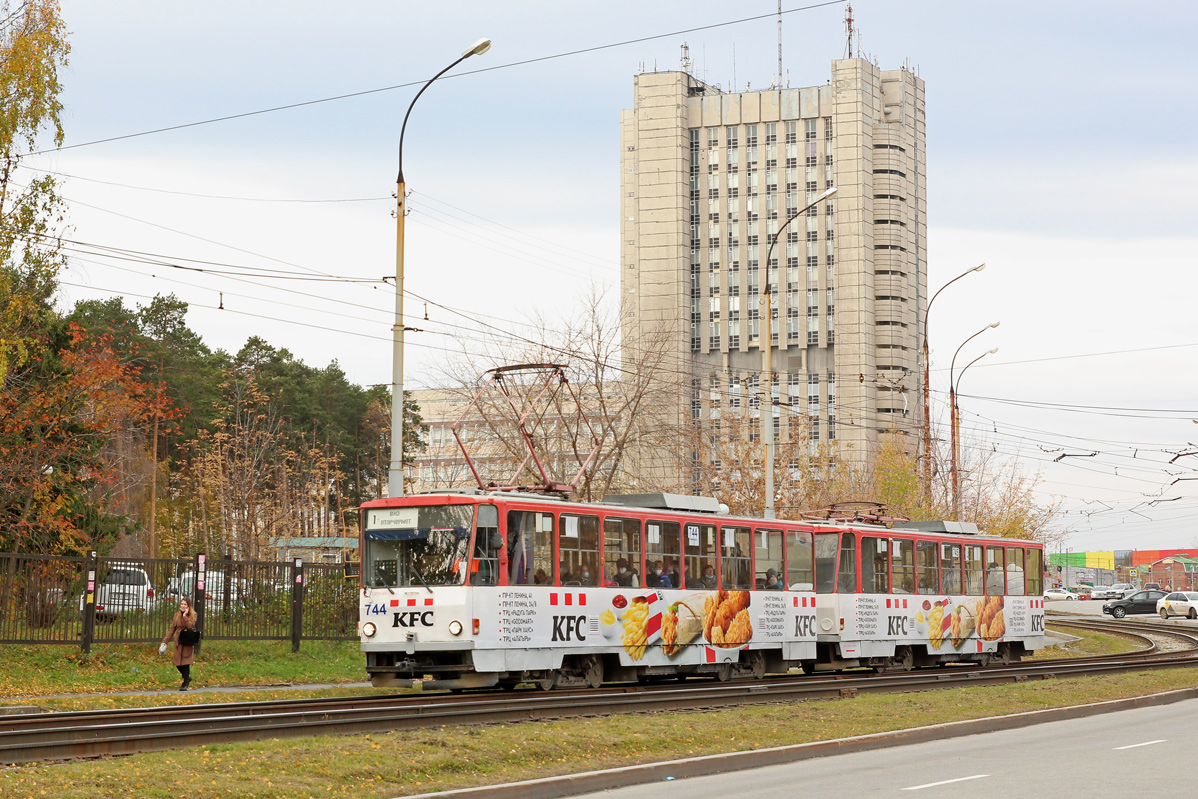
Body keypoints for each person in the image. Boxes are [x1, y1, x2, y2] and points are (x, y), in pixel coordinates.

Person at [159, 596, 198, 691]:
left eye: (185, 604)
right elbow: (172, 629)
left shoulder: (193, 615)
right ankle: (187, 677)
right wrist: (164, 642)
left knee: (186, 663)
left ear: (189, 606)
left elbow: (190, 627)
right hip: (179, 642)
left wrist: (185, 616)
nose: (183, 606)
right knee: (177, 663)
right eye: (182, 604)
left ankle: (185, 682)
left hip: (187, 641)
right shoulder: (177, 615)